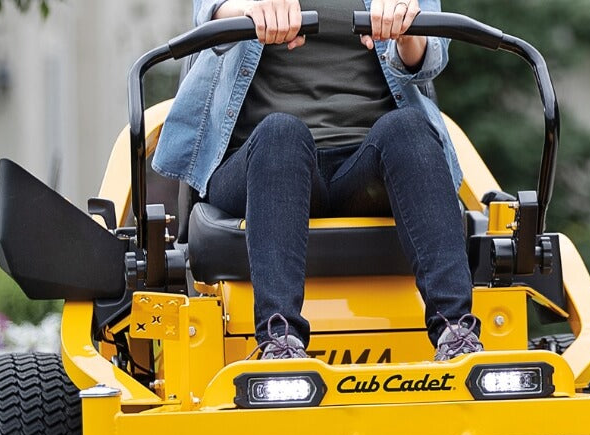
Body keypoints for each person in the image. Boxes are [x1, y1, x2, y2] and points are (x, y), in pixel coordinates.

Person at [152, 0, 482, 361]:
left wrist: (405, 33)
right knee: (282, 133)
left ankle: (456, 333)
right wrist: (251, 9)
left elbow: (429, 57)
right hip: (264, 161)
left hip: (365, 171)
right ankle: (280, 341)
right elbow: (210, 11)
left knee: (410, 128)